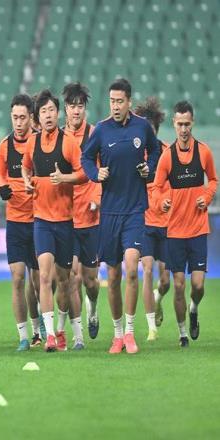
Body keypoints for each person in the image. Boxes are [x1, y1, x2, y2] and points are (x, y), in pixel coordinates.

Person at [81, 78, 160, 354]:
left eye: (119, 101)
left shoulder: (142, 127)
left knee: (131, 268)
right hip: (110, 212)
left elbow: (156, 150)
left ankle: (129, 332)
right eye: (112, 101)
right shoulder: (101, 130)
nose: (115, 106)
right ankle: (116, 335)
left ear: (129, 102)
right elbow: (85, 158)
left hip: (135, 210)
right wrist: (95, 173)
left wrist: (149, 168)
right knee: (113, 277)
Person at [21, 89, 87, 352]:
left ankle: (68, 331)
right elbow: (26, 166)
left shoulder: (68, 143)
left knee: (65, 281)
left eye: (51, 110)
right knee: (44, 277)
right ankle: (49, 336)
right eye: (43, 111)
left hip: (65, 222)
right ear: (37, 117)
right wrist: (26, 180)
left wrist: (64, 178)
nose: (48, 115)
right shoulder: (32, 143)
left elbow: (84, 174)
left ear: (58, 114)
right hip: (42, 221)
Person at [154, 101, 218, 347]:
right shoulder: (167, 157)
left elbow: (213, 180)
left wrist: (207, 196)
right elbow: (156, 189)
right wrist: (162, 203)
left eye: (187, 124)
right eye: (179, 124)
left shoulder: (204, 152)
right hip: (175, 232)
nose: (183, 129)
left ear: (193, 123)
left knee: (198, 286)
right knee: (179, 285)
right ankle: (182, 334)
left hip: (198, 229)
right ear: (174, 123)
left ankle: (194, 308)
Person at [0, 94, 41, 351]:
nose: (19, 123)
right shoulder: (5, 146)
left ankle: (40, 326)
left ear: (31, 118)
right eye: (15, 118)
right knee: (17, 278)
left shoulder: (39, 144)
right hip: (15, 221)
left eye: (23, 118)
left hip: (39, 220)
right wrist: (1, 187)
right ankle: (24, 336)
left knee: (39, 281)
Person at [62, 82, 101, 349]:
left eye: (80, 106)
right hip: (67, 218)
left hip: (91, 217)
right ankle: (77, 336)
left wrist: (97, 198)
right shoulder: (59, 137)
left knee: (90, 280)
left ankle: (93, 308)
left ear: (85, 109)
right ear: (65, 109)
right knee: (72, 276)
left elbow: (102, 169)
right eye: (72, 106)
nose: (76, 111)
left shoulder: (94, 134)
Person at [133, 97, 171, 341]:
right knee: (146, 270)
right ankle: (151, 329)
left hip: (166, 223)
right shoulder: (134, 155)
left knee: (166, 280)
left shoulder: (167, 153)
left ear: (156, 130)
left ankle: (158, 297)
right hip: (143, 222)